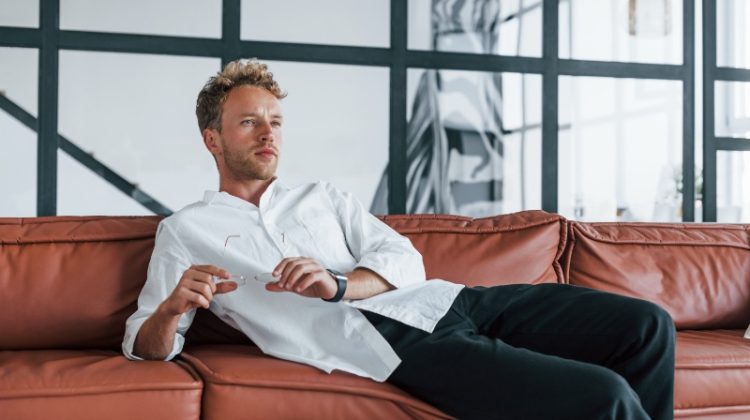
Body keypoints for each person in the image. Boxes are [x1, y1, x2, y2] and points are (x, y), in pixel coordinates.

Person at [123, 58, 675, 420]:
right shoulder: (186, 231)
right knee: (605, 399)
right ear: (212, 139)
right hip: (394, 345)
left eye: (276, 120)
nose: (269, 132)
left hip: (451, 299)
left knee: (647, 326)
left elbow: (401, 256)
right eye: (249, 122)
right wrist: (171, 309)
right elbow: (142, 345)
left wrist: (338, 283)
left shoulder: (322, 196)